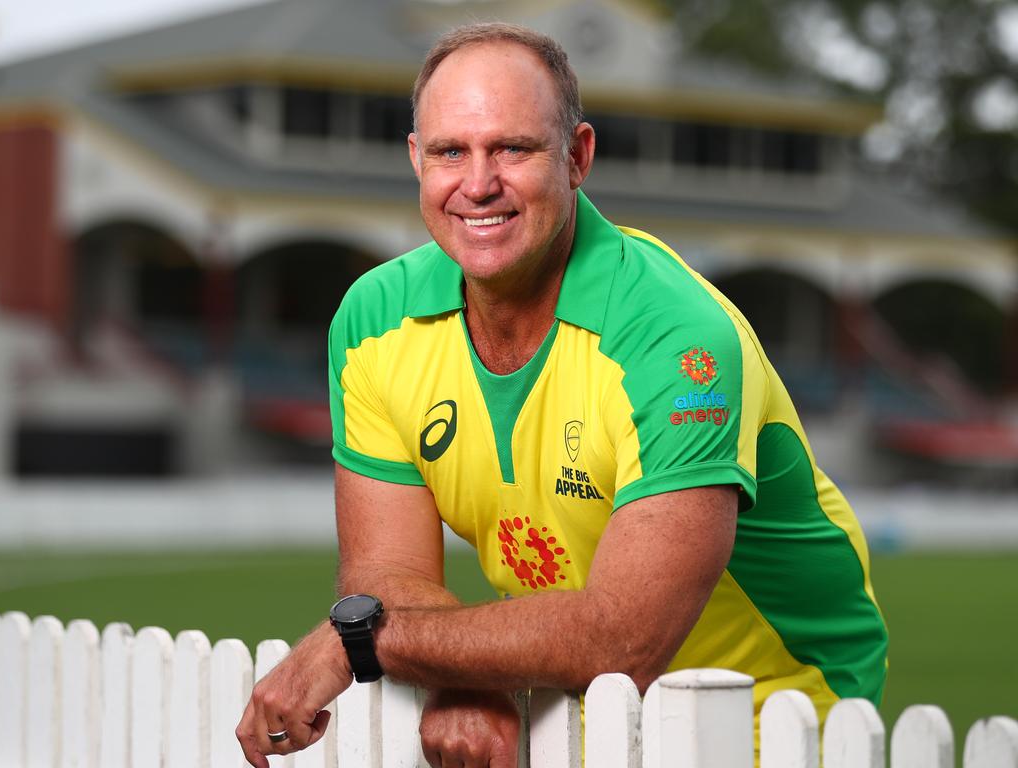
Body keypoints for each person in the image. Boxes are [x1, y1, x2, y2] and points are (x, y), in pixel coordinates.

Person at [236, 22, 888, 768]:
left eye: (512, 148)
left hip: (777, 714)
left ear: (577, 157)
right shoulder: (373, 319)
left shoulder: (675, 334)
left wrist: (366, 641)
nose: (478, 183)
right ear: (417, 160)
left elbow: (623, 637)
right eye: (451, 150)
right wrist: (461, 678)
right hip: (567, 707)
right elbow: (390, 577)